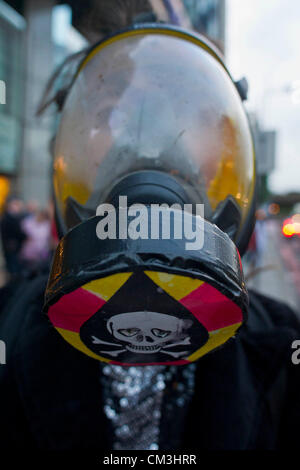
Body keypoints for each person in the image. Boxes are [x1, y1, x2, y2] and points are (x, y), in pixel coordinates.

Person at [0, 2, 300, 452]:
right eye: (108, 110)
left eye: (185, 110)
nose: (147, 139)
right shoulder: (6, 327)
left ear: (229, 149)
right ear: (67, 148)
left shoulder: (283, 353)